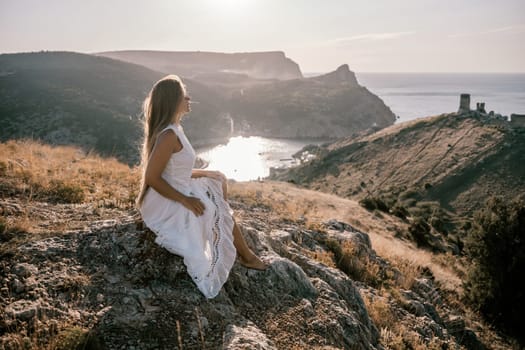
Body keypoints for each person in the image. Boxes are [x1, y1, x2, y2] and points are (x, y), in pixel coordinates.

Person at [136, 74, 267, 299]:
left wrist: (207, 173)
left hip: (178, 187)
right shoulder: (168, 135)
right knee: (213, 209)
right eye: (184, 95)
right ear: (173, 101)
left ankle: (245, 254)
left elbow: (176, 170)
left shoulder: (176, 129)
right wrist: (185, 200)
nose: (189, 98)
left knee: (216, 185)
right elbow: (152, 178)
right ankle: (246, 255)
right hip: (166, 200)